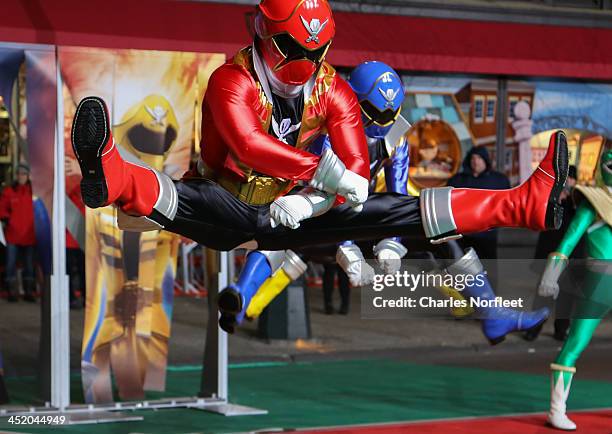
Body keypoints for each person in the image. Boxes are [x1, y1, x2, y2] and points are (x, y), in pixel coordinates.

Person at [70, 0, 568, 334]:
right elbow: (248, 146)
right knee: (196, 203)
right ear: (267, 34)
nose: (306, 64)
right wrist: (323, 177)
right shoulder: (232, 81)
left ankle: (522, 203)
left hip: (311, 211)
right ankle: (113, 175)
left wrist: (314, 199)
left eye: (317, 53)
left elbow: (355, 173)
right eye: (296, 51)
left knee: (402, 208)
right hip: (238, 200)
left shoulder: (337, 93)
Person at [537, 148, 611, 431]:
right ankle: (557, 409)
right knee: (575, 343)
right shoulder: (593, 202)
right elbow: (567, 241)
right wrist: (551, 274)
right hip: (600, 279)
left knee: (575, 343)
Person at [526, 166, 581, 341]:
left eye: (571, 179)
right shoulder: (551, 198)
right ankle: (534, 329)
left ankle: (561, 330)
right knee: (544, 293)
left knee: (567, 295)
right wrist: (556, 201)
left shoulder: (579, 201)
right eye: (566, 179)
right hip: (551, 253)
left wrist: (573, 202)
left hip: (571, 256)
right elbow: (539, 218)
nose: (568, 183)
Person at [448, 146, 511, 260]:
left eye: (479, 158)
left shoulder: (498, 180)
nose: (476, 162)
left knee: (487, 264)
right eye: (473, 158)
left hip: (487, 233)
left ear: (485, 160)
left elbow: (506, 203)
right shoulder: (457, 180)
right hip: (463, 232)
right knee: (464, 265)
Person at [0, 163, 36, 302]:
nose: (21, 176)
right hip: (13, 235)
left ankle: (29, 292)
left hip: (30, 235)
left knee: (29, 265)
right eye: (19, 174)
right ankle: (11, 292)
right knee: (10, 264)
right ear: (16, 176)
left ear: (28, 176)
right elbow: (2, 208)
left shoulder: (34, 192)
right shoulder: (9, 191)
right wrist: (7, 220)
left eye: (24, 174)